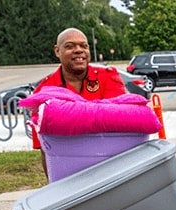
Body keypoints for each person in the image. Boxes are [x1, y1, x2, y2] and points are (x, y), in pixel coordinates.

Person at [31, 27, 126, 178]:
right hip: (70, 173)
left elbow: (122, 122)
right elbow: (46, 150)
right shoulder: (43, 92)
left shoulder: (108, 78)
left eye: (84, 46)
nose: (78, 50)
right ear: (57, 51)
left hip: (110, 167)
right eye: (70, 46)